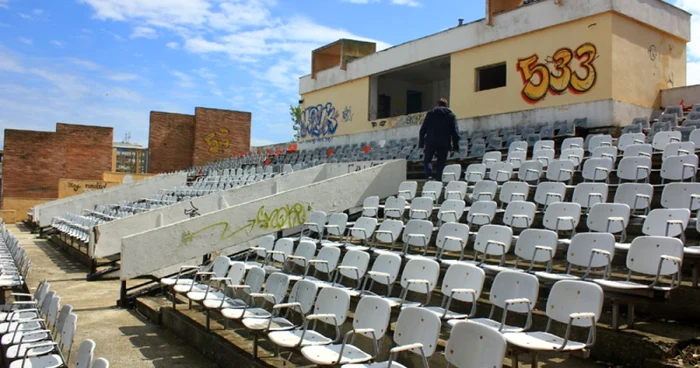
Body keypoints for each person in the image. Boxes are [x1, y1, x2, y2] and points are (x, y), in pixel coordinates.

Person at [418, 98, 460, 180]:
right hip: (444, 142)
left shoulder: (430, 114)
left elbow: (422, 130)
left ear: (437, 105)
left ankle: (429, 176)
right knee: (441, 162)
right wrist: (455, 146)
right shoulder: (451, 115)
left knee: (428, 160)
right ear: (446, 106)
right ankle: (438, 179)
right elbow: (455, 132)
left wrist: (421, 144)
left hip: (430, 141)